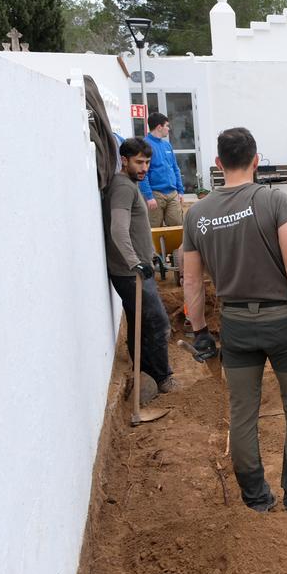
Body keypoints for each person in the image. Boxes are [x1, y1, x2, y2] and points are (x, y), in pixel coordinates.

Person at [182, 127, 287, 513]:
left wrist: (199, 331)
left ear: (218, 164)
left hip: (236, 326)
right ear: (256, 161)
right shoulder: (273, 201)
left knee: (243, 413)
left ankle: (256, 499)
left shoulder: (197, 214)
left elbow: (192, 281)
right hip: (283, 322)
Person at [103, 138, 176, 393]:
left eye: (147, 162)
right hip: (130, 272)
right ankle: (163, 378)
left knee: (140, 321)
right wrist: (136, 263)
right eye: (139, 162)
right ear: (124, 160)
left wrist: (151, 254)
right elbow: (118, 229)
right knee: (158, 323)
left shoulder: (130, 184)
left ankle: (143, 372)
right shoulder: (123, 187)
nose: (144, 168)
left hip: (134, 268)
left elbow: (137, 230)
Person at [139, 112, 185, 228]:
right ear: (159, 127)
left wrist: (180, 191)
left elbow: (175, 168)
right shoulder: (145, 145)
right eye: (167, 126)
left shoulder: (167, 145)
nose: (168, 129)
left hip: (172, 193)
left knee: (177, 227)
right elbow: (143, 173)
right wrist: (149, 196)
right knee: (154, 230)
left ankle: (174, 248)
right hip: (155, 194)